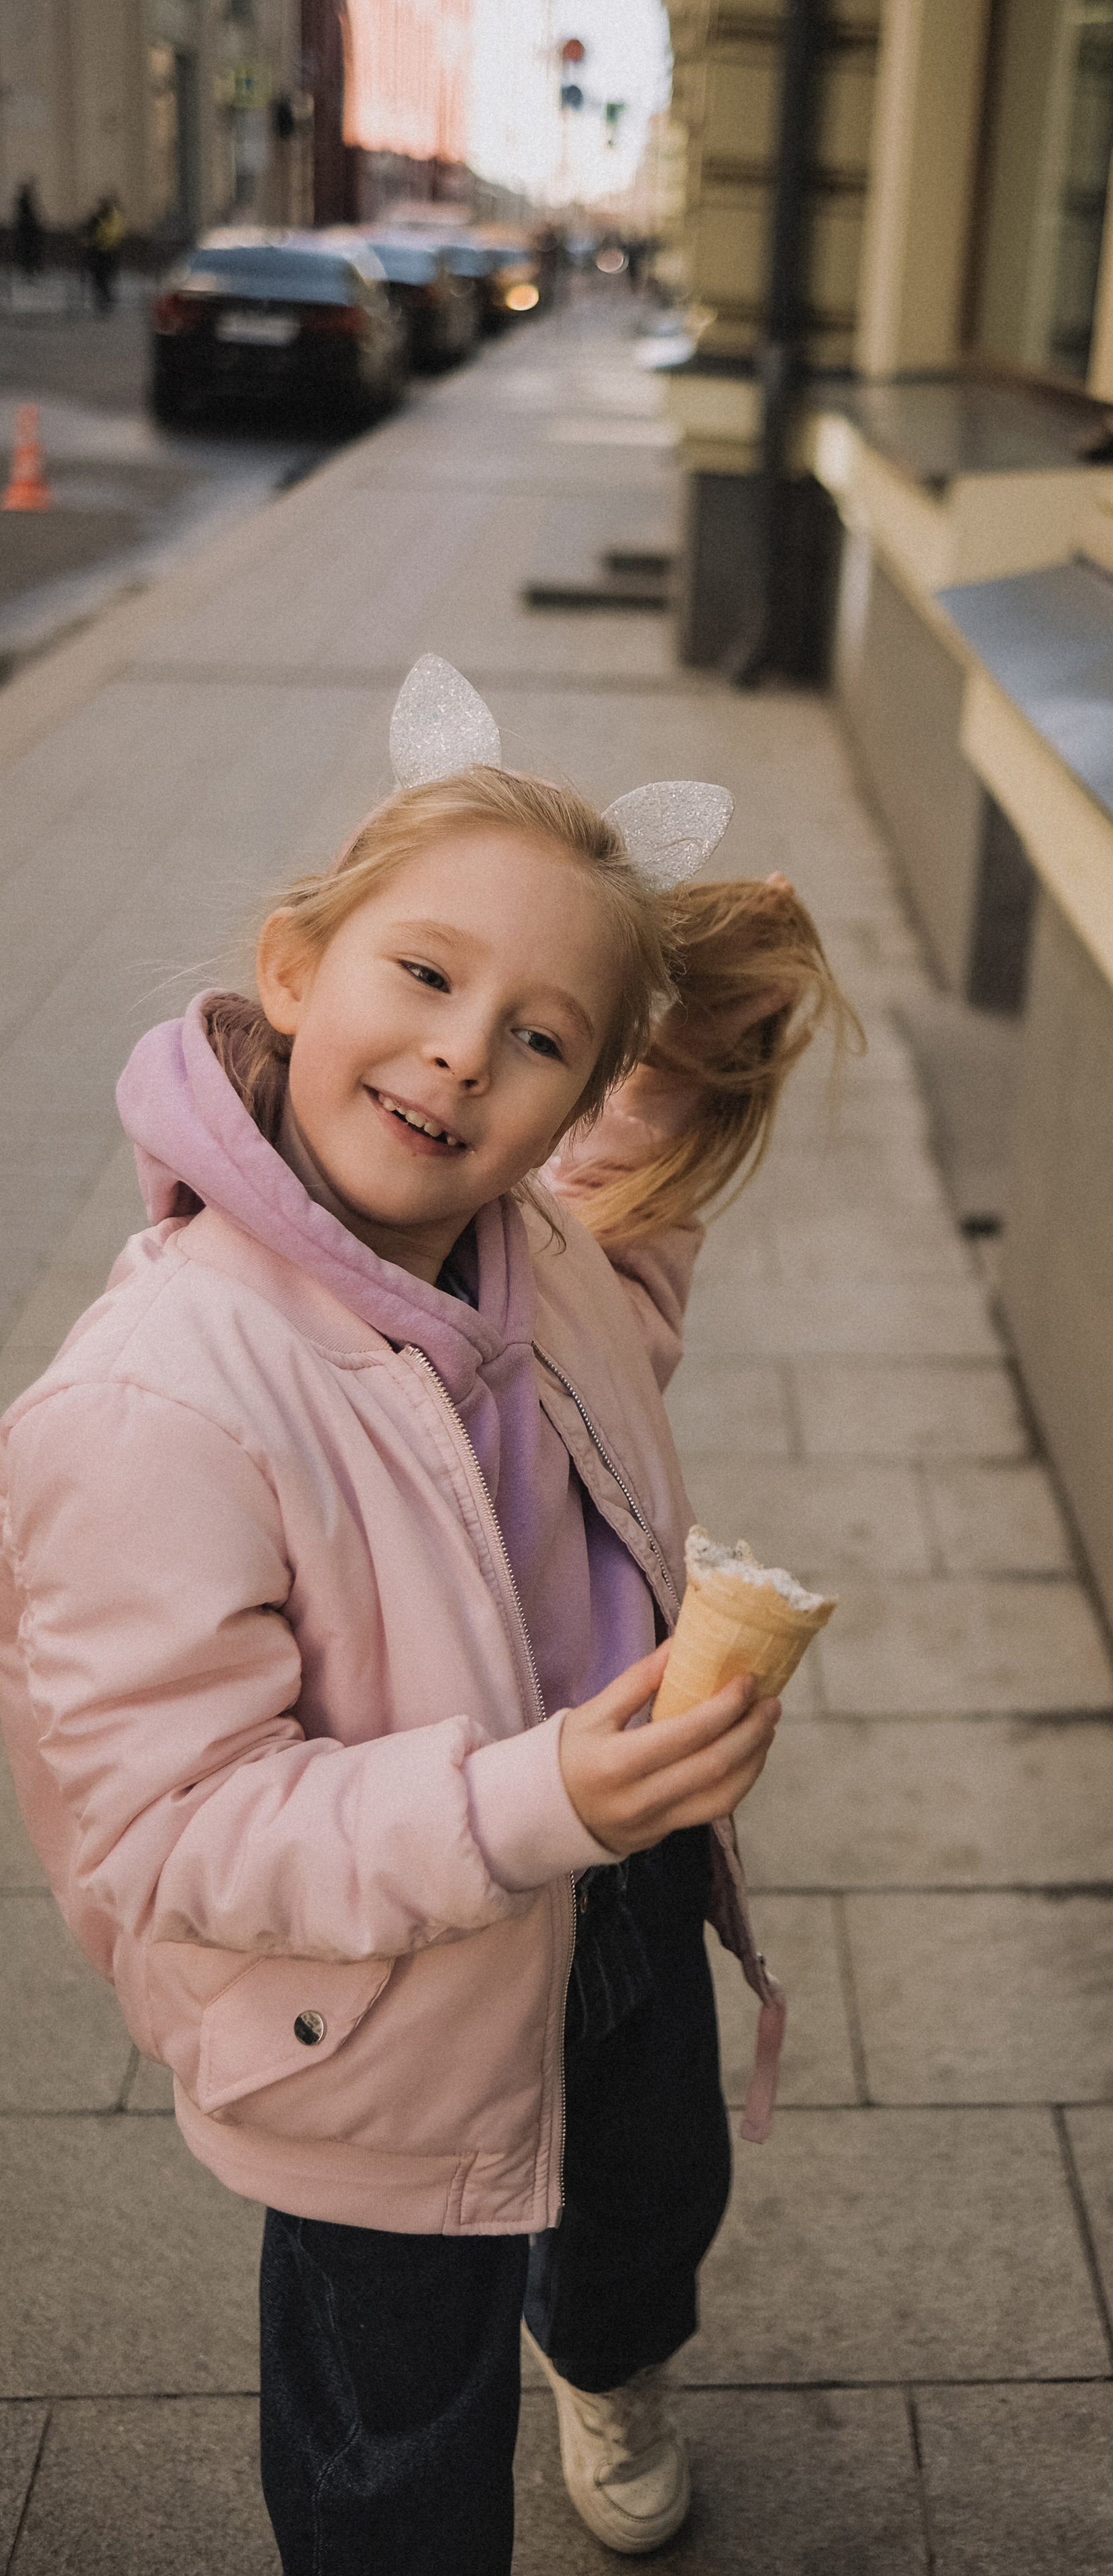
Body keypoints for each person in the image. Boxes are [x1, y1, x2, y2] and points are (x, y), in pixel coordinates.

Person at [0, 656, 857, 2573]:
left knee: (650, 2199)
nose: (469, 1053)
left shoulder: (531, 1235)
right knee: (393, 2421)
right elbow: (177, 1824)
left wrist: (694, 1060)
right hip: (371, 2011)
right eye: (425, 978)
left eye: (544, 1037)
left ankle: (610, 2350)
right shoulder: (157, 1400)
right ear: (296, 966)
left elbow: (616, 1279)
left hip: (615, 1887)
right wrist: (532, 1799)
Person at [81, 192, 123, 312]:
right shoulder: (115, 217)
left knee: (100, 278)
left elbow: (91, 234)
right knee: (103, 278)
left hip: (100, 251)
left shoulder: (101, 217)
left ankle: (103, 300)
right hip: (109, 251)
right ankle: (105, 300)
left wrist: (92, 241)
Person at [12, 179, 44, 282]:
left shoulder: (26, 202)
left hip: (28, 233)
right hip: (27, 233)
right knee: (27, 253)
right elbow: (25, 217)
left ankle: (30, 270)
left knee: (29, 253)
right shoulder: (23, 202)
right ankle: (28, 270)